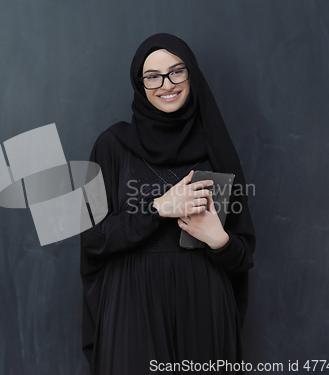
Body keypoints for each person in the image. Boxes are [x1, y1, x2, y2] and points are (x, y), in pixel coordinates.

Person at [80, 33, 256, 375]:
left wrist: (219, 241)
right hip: (132, 305)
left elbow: (244, 254)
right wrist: (157, 208)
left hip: (203, 304)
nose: (167, 84)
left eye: (177, 71)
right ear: (139, 83)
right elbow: (93, 239)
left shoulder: (215, 148)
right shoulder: (111, 145)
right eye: (153, 76)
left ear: (191, 74)